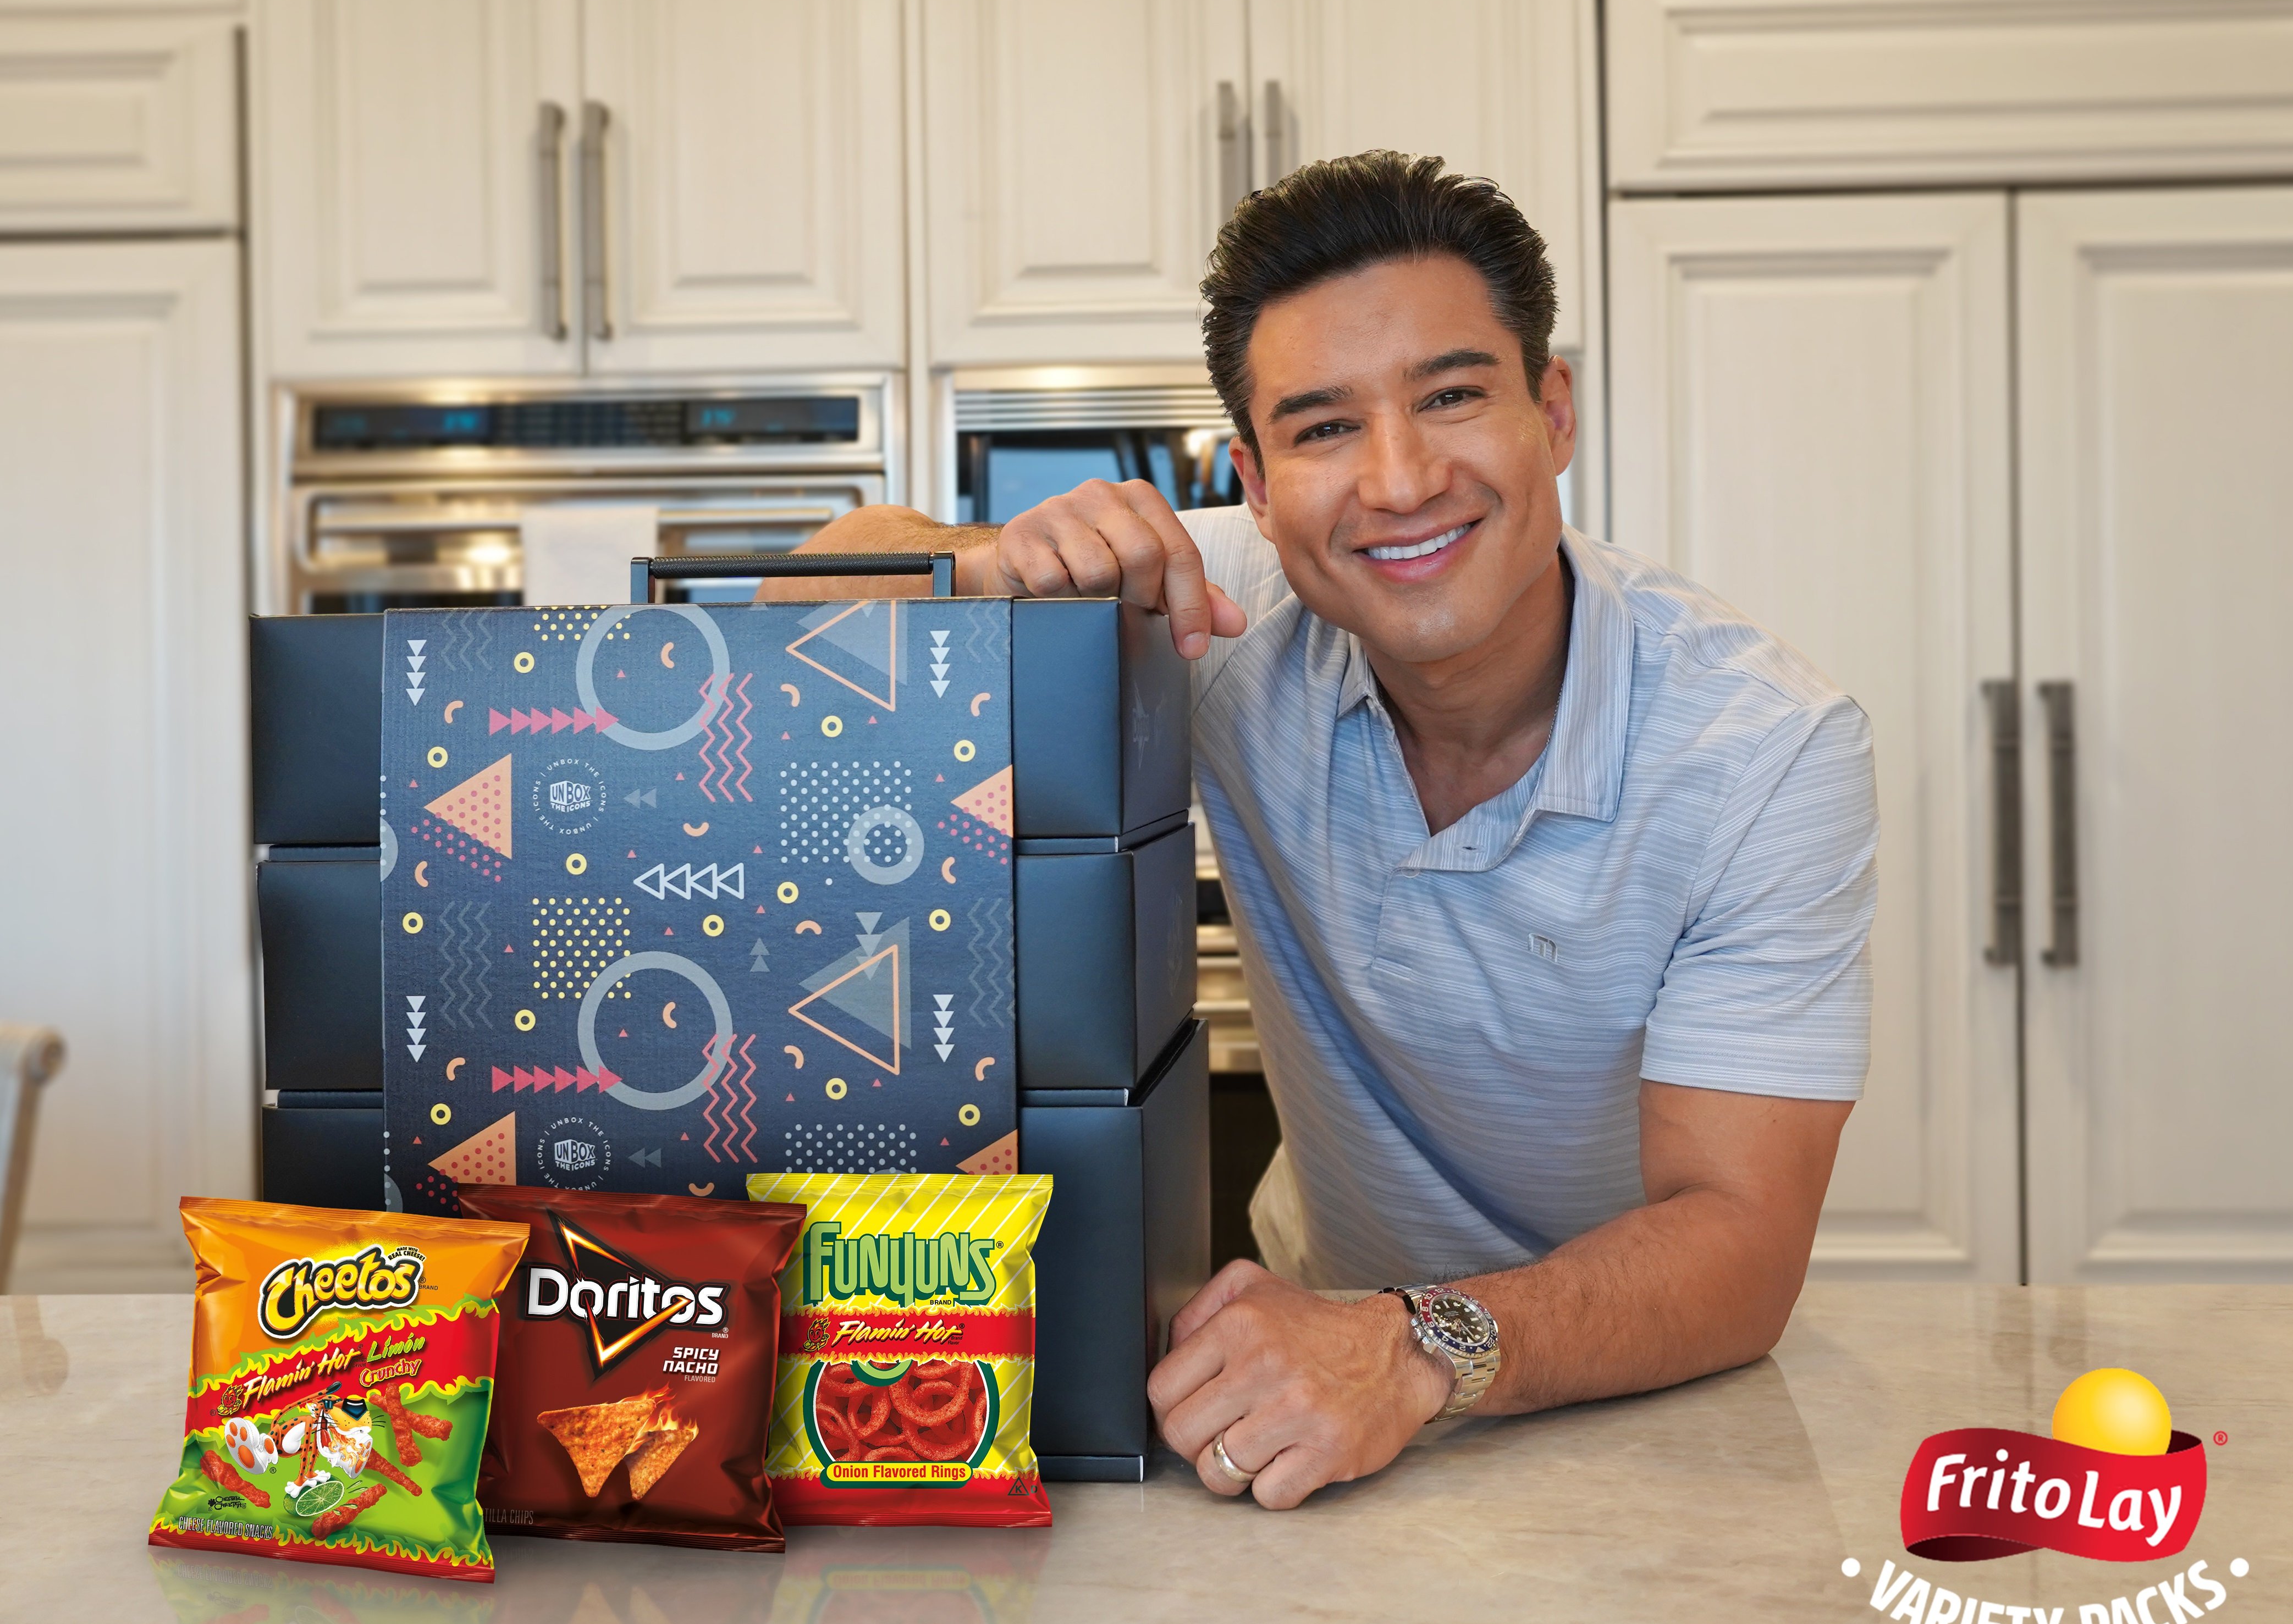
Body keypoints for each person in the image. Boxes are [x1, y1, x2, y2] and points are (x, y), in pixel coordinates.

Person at [786, 152, 1877, 1510]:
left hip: (1635, 1396)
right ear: (1252, 479)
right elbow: (800, 593)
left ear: (1553, 409)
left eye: (1452, 396)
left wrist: (1416, 1343)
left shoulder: (1766, 748)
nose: (1401, 480)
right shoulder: (1227, 611)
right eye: (1322, 429)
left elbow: (1738, 1244)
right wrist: (999, 564)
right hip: (1304, 1390)